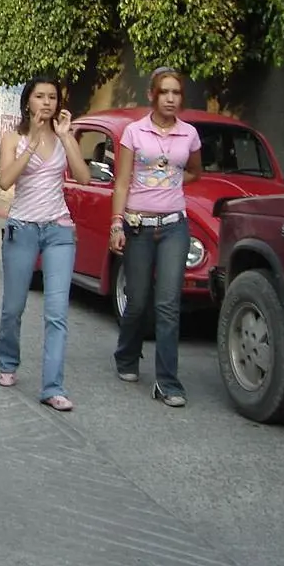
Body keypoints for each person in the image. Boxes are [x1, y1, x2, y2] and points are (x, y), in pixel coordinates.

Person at [0, 76, 92, 411]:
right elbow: (5, 180)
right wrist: (32, 143)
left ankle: (52, 386)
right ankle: (8, 362)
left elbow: (84, 177)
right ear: (28, 102)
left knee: (56, 312)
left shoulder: (65, 136)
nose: (47, 103)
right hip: (22, 228)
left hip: (58, 230)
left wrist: (65, 139)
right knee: (14, 307)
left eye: (52, 97)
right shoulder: (13, 137)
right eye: (40, 97)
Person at [110, 67, 203, 408]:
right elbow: (121, 182)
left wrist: (169, 186)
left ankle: (167, 383)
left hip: (174, 226)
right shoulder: (134, 132)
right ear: (152, 95)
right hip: (138, 225)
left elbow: (194, 170)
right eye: (164, 92)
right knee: (137, 301)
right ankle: (126, 355)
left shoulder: (189, 134)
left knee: (168, 305)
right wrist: (117, 224)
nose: (170, 98)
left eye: (176, 93)